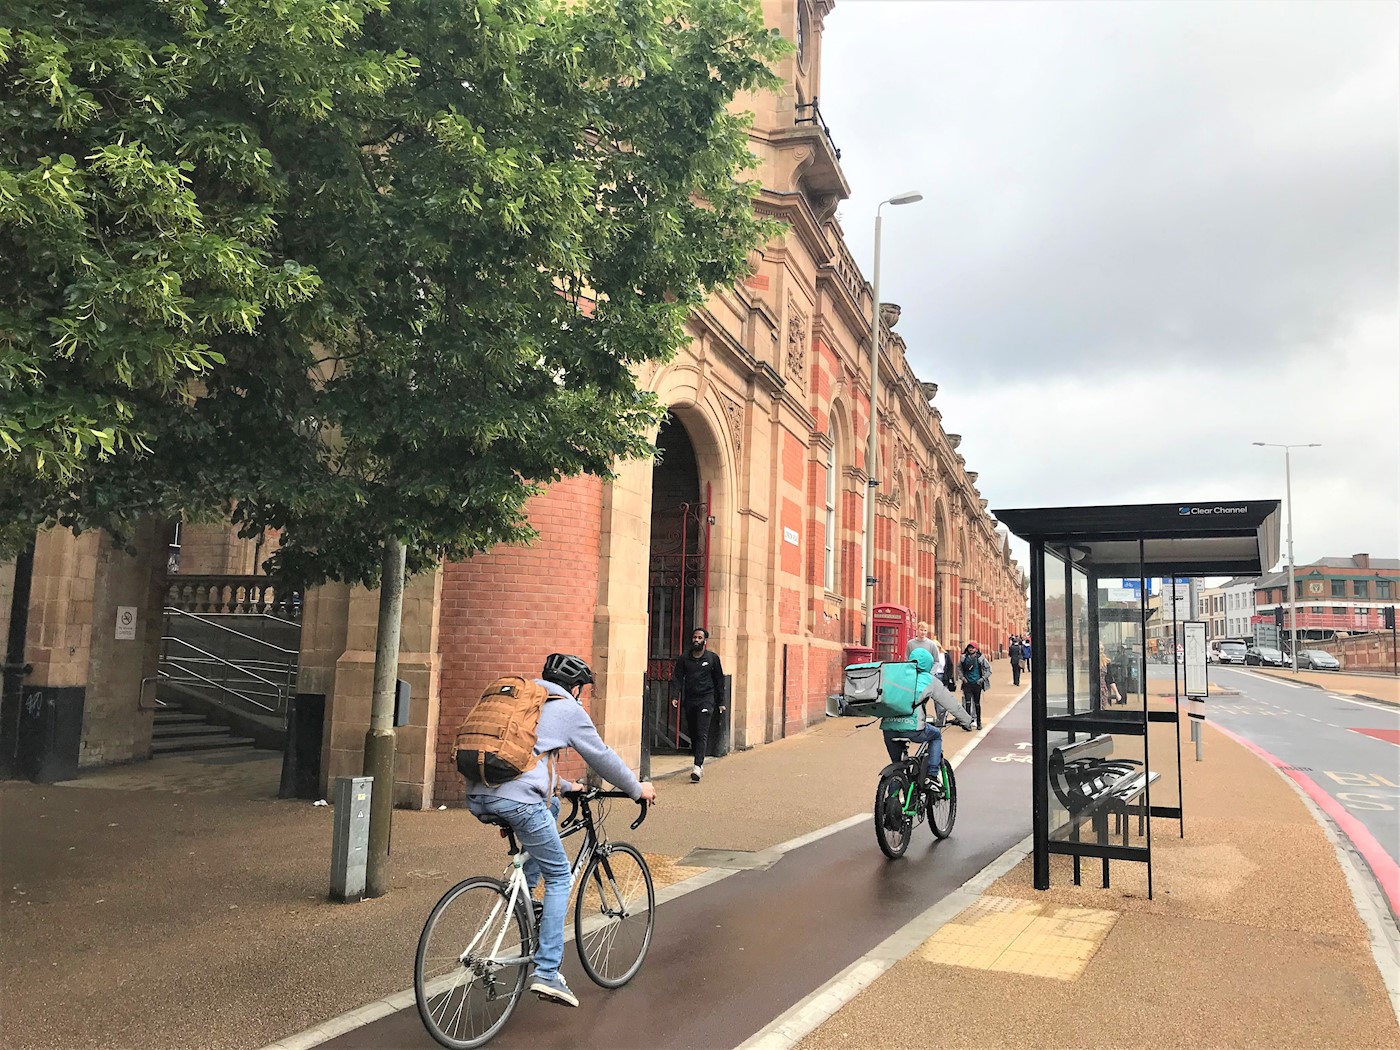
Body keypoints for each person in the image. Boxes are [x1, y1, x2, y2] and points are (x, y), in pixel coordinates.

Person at [466, 653, 657, 1009]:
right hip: (518, 802)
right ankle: (548, 972)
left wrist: (566, 786)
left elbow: (526, 758)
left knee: (550, 807)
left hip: (479, 794)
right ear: (577, 688)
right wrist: (636, 788)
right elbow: (602, 756)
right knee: (560, 877)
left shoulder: (525, 701)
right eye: (583, 690)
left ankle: (530, 900)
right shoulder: (568, 708)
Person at [880, 647, 946, 794]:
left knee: (897, 766)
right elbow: (950, 704)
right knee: (935, 735)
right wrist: (966, 721)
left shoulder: (897, 676)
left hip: (888, 728)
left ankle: (889, 806)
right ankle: (932, 776)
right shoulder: (929, 679)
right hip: (912, 727)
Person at [670, 627, 726, 782]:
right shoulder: (684, 659)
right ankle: (697, 758)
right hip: (690, 700)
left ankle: (698, 766)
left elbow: (719, 681)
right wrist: (675, 696)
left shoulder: (712, 658)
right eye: (695, 637)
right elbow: (677, 678)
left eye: (700, 638)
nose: (696, 640)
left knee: (702, 732)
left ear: (705, 641)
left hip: (706, 699)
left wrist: (721, 702)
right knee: (693, 733)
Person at [959, 642, 992, 725]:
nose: (971, 649)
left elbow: (989, 669)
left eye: (972, 648)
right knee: (967, 703)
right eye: (969, 647)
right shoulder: (963, 658)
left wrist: (982, 679)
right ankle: (967, 722)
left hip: (977, 683)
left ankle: (978, 721)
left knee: (977, 704)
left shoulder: (980, 658)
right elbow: (959, 668)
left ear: (976, 649)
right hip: (967, 683)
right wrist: (962, 678)